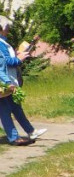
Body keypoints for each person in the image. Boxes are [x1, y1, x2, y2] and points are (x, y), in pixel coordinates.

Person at [0, 17, 45, 145]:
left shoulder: (3, 42)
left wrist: (18, 54)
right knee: (4, 110)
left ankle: (30, 131)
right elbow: (4, 63)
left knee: (16, 107)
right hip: (5, 81)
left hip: (8, 80)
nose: (8, 30)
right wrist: (19, 59)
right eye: (6, 27)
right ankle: (14, 138)